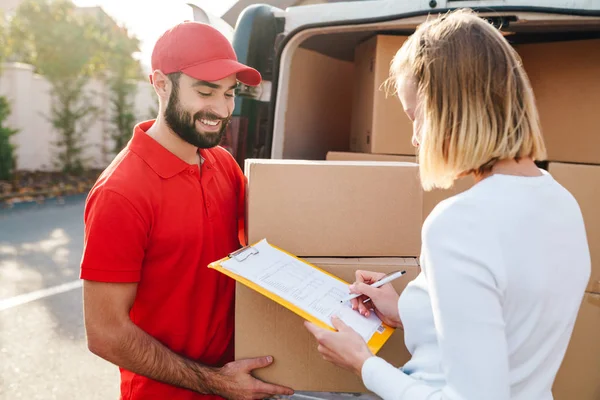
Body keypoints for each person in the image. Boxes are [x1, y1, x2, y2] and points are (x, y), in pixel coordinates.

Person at [305, 9, 591, 400]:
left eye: (415, 117)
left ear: (447, 109)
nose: (415, 138)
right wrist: (408, 312)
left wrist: (362, 363)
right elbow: (505, 329)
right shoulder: (563, 202)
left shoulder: (460, 222)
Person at [80, 21, 294, 400]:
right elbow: (105, 333)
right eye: (205, 91)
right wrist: (215, 382)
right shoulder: (120, 193)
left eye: (229, 94)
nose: (221, 108)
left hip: (239, 385)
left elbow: (262, 254)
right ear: (161, 84)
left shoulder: (223, 164)